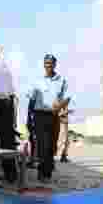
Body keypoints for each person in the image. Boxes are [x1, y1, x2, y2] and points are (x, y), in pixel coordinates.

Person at [29, 54, 69, 182]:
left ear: (55, 65)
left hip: (53, 116)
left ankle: (48, 171)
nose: (48, 65)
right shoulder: (38, 81)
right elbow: (32, 99)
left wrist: (60, 105)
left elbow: (67, 98)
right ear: (44, 64)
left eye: (50, 63)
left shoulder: (61, 80)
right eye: (46, 63)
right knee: (42, 145)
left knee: (51, 145)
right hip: (39, 115)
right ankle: (42, 173)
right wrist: (29, 118)